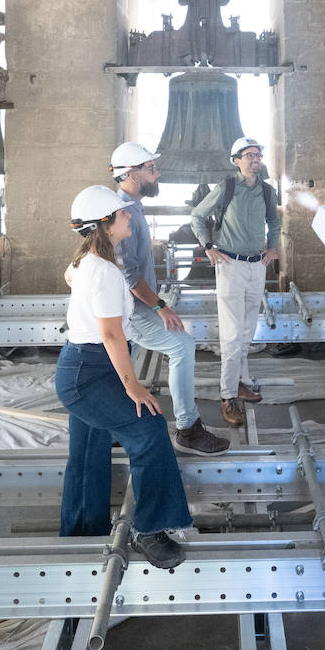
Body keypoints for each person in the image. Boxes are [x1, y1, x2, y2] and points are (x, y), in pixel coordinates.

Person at [55, 184, 192, 569]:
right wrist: (133, 386)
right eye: (122, 213)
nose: (129, 216)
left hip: (83, 366)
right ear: (105, 224)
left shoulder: (88, 261)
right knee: (148, 428)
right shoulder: (104, 272)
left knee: (86, 451)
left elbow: (70, 276)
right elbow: (112, 334)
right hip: (90, 373)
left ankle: (81, 532)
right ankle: (150, 529)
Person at [108, 142, 229, 456]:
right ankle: (188, 428)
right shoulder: (122, 213)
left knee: (130, 361)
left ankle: (118, 427)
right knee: (182, 345)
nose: (158, 173)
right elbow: (129, 275)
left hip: (134, 304)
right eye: (151, 169)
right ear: (131, 173)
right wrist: (160, 306)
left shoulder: (131, 206)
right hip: (131, 309)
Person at [190, 137, 280, 426]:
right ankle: (228, 396)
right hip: (230, 265)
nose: (255, 159)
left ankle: (240, 382)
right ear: (236, 160)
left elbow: (274, 222)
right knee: (231, 336)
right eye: (249, 155)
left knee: (246, 332)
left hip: (258, 265)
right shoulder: (226, 188)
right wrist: (208, 246)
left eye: (258, 154)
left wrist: (273, 246)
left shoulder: (267, 191)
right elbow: (197, 215)